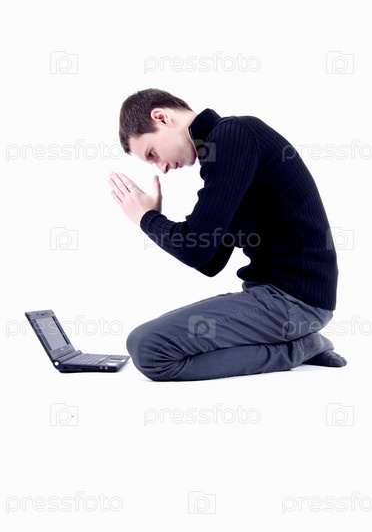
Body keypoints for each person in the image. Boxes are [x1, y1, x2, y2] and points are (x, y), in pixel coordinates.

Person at [108, 88, 347, 381]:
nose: (163, 168)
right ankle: (297, 342)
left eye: (152, 153)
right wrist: (155, 221)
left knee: (149, 349)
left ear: (162, 117)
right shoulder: (224, 148)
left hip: (294, 303)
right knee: (150, 345)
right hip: (280, 299)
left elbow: (195, 249)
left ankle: (298, 348)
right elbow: (210, 261)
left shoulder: (233, 135)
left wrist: (147, 219)